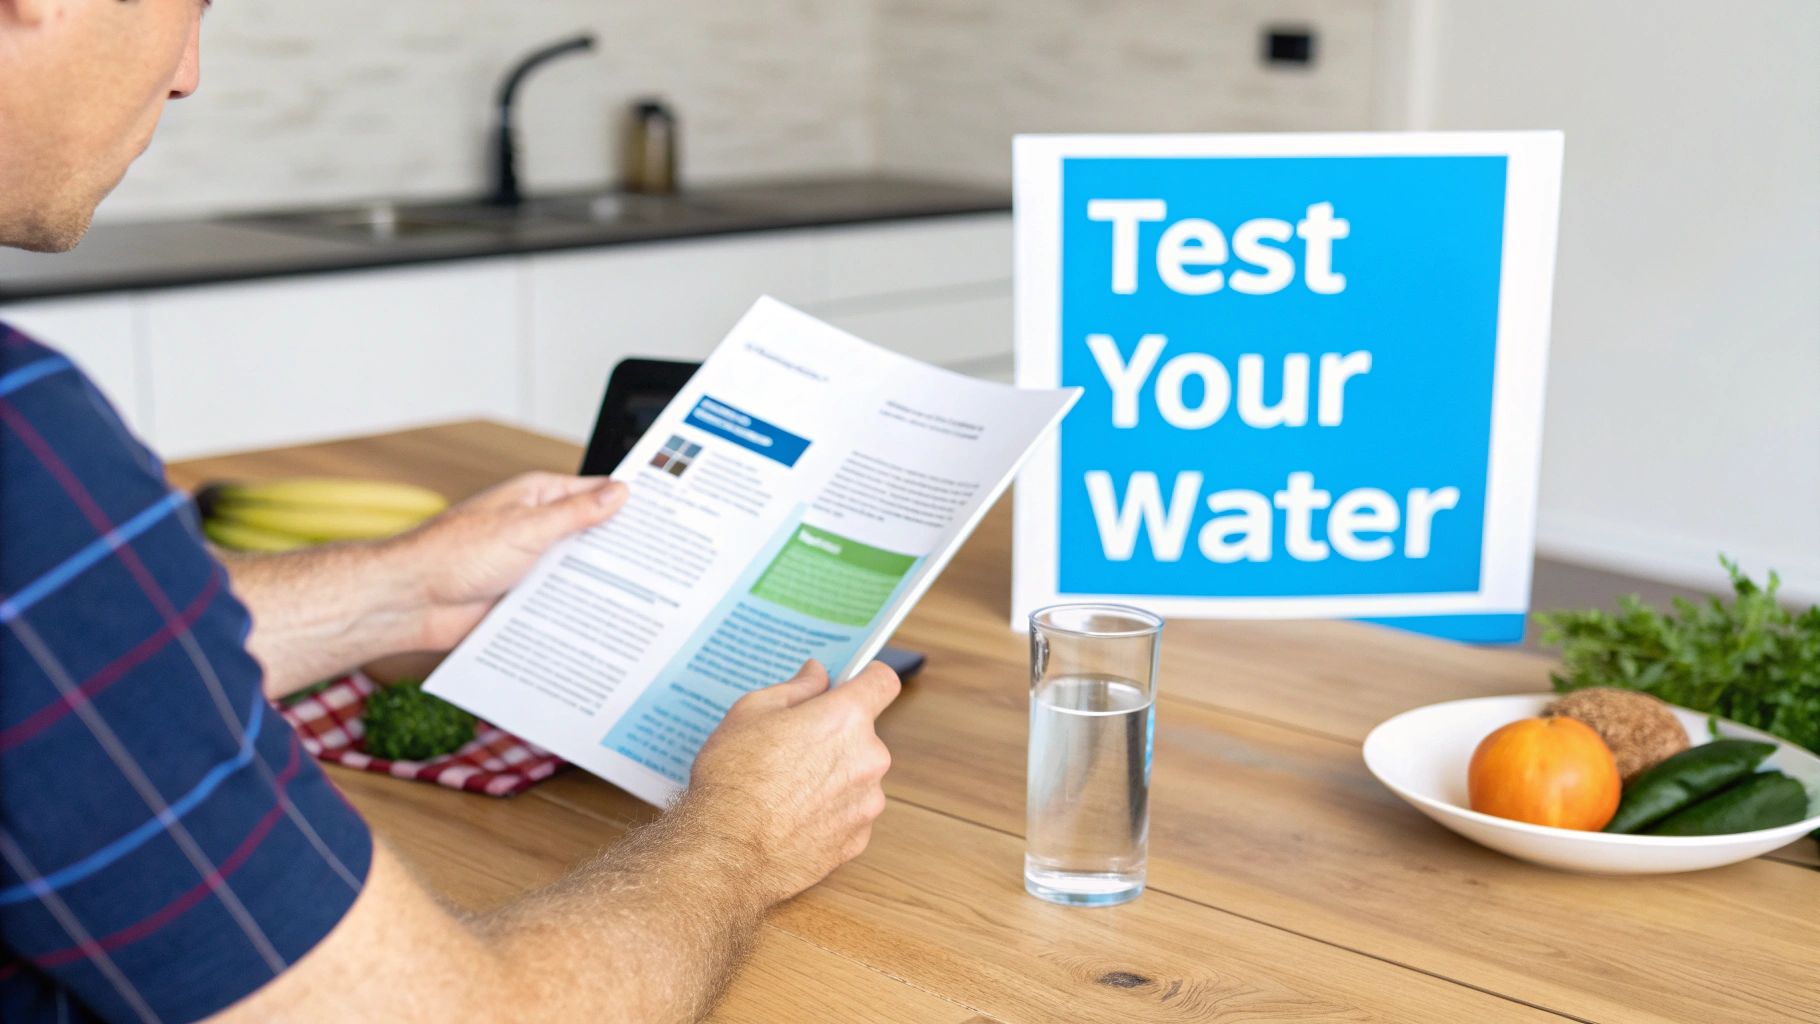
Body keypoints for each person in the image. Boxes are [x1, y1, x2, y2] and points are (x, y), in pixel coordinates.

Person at [0, 1, 900, 1021]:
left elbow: (58, 646)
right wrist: (742, 836)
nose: (187, 73)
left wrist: (404, 591)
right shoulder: (23, 441)